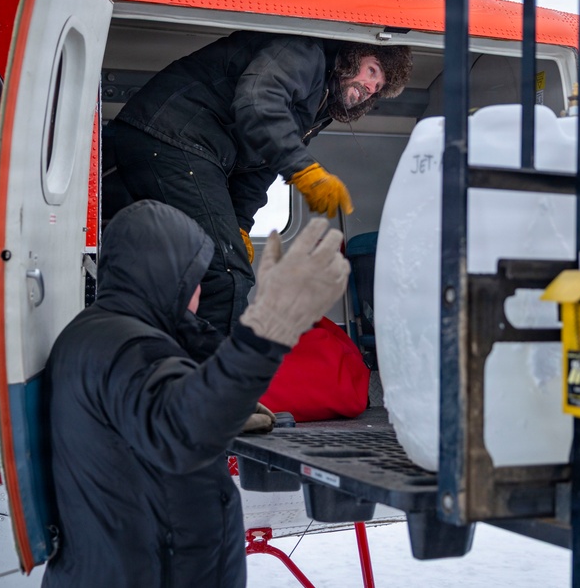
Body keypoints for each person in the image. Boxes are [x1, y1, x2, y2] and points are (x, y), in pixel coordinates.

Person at [41, 200, 350, 588]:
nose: (200, 291)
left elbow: (157, 411)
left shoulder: (99, 333)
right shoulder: (130, 348)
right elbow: (180, 434)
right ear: (166, 277)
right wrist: (266, 331)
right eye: (193, 279)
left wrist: (220, 398)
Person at [103, 31, 412, 335]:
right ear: (354, 54)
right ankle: (212, 381)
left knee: (164, 267)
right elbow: (257, 102)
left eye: (377, 88)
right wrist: (302, 169)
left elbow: (259, 166)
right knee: (226, 276)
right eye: (372, 71)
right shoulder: (305, 53)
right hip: (173, 137)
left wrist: (239, 224)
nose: (369, 87)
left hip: (179, 147)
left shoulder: (322, 103)